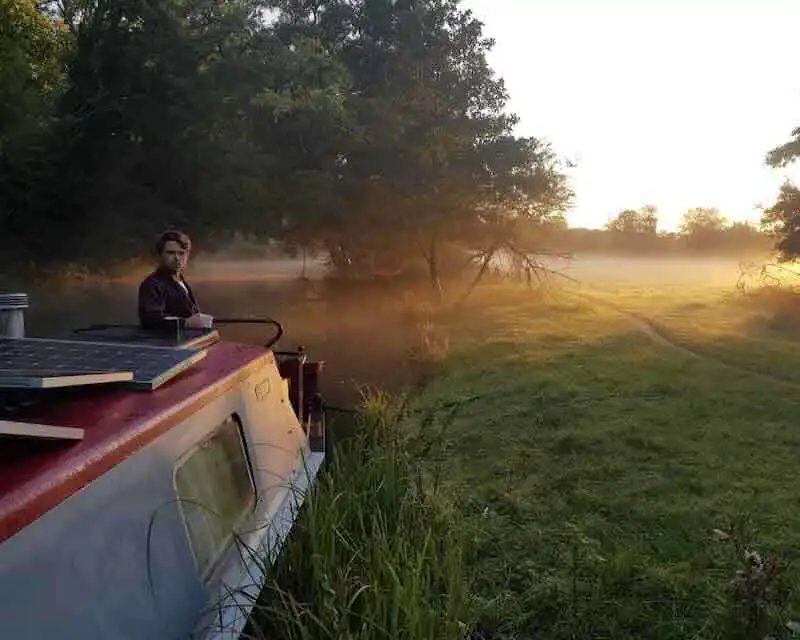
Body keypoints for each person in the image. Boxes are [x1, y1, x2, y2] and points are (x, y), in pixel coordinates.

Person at [138, 230, 206, 330]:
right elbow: (151, 319)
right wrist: (185, 323)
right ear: (160, 255)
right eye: (170, 253)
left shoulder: (182, 282)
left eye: (181, 253)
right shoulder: (151, 285)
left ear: (187, 256)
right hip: (165, 340)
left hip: (188, 338)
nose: (177, 258)